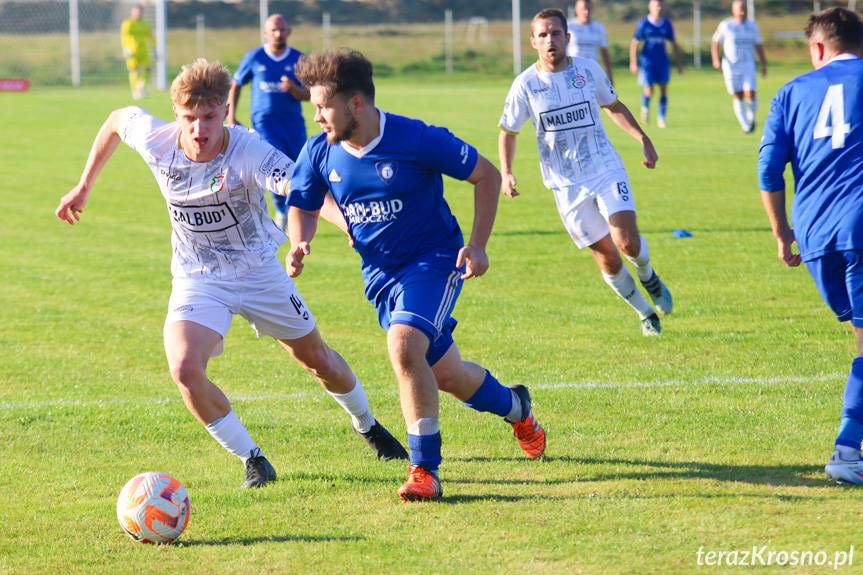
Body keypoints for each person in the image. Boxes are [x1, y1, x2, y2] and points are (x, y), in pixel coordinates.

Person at [55, 59, 407, 490]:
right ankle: (253, 460)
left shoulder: (249, 151)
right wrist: (84, 185)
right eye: (189, 118)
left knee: (318, 360)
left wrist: (346, 224)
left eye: (208, 117)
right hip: (199, 277)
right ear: (176, 114)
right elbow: (116, 119)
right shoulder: (157, 141)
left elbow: (301, 188)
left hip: (259, 272)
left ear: (224, 110)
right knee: (185, 368)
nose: (198, 128)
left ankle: (368, 425)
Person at [288, 49, 547, 502]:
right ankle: (516, 407)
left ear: (356, 103)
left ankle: (425, 469)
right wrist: (299, 241)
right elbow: (302, 203)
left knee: (404, 346)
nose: (317, 117)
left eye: (323, 107)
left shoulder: (416, 138)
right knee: (446, 374)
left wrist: (478, 245)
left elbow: (486, 176)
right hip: (380, 276)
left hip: (434, 260)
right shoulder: (319, 150)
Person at [500, 8, 672, 337]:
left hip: (604, 167)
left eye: (555, 33)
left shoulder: (588, 70)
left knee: (626, 241)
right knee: (607, 257)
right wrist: (507, 172)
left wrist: (643, 138)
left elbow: (613, 106)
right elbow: (508, 131)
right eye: (543, 35)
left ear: (567, 37)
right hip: (565, 183)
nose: (550, 40)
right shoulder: (525, 85)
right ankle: (645, 313)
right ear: (533, 41)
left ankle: (648, 274)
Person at [758, 8, 863, 485]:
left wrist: (782, 232)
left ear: (818, 47)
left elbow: (768, 171)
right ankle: (846, 450)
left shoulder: (789, 92)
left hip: (816, 236)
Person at [227, 14, 310, 231]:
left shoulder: (299, 59)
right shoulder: (255, 57)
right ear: (265, 33)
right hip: (265, 125)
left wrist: (294, 89)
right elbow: (236, 84)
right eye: (273, 30)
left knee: (299, 169)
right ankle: (283, 211)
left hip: (293, 125)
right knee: (274, 168)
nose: (278, 34)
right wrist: (231, 115)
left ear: (289, 31)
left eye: (281, 29)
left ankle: (295, 212)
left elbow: (310, 94)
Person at [711, 0, 768, 133]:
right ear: (733, 10)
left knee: (750, 93)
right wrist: (715, 59)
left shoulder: (752, 26)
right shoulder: (726, 25)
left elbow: (758, 45)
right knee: (738, 95)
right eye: (739, 8)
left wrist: (764, 63)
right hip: (731, 66)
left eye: (743, 8)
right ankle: (745, 125)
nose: (742, 11)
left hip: (748, 64)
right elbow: (715, 42)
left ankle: (751, 117)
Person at [629, 0, 683, 128]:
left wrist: (679, 63)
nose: (659, 8)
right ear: (650, 7)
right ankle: (645, 108)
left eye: (660, 5)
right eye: (656, 5)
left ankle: (661, 118)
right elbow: (635, 43)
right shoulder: (644, 24)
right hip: (647, 62)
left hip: (662, 62)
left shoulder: (666, 24)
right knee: (649, 90)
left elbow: (674, 44)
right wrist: (633, 62)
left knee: (663, 90)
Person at [567, 0, 614, 85]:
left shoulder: (599, 27)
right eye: (583, 9)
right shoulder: (569, 26)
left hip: (592, 73)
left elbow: (604, 53)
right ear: (576, 10)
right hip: (572, 72)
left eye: (588, 8)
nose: (586, 12)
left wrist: (610, 75)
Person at [120, 4, 154, 100]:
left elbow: (150, 36)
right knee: (134, 71)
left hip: (143, 50)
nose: (138, 14)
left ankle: (141, 86)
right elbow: (124, 37)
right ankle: (135, 91)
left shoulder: (145, 24)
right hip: (131, 51)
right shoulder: (127, 24)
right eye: (136, 11)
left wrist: (154, 47)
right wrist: (125, 48)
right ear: (132, 12)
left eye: (139, 12)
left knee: (148, 69)